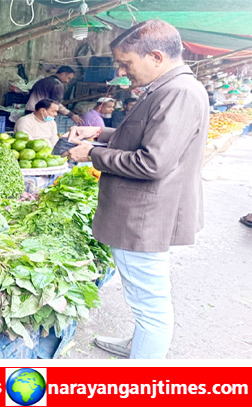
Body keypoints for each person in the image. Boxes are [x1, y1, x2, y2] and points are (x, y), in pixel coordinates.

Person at [64, 20, 208, 359]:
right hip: (144, 212)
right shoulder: (167, 87)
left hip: (144, 217)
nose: (122, 71)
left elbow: (152, 162)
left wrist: (93, 155)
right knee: (145, 297)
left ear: (155, 56)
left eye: (126, 63)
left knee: (152, 308)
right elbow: (143, 135)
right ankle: (137, 345)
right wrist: (99, 135)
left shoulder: (179, 93)